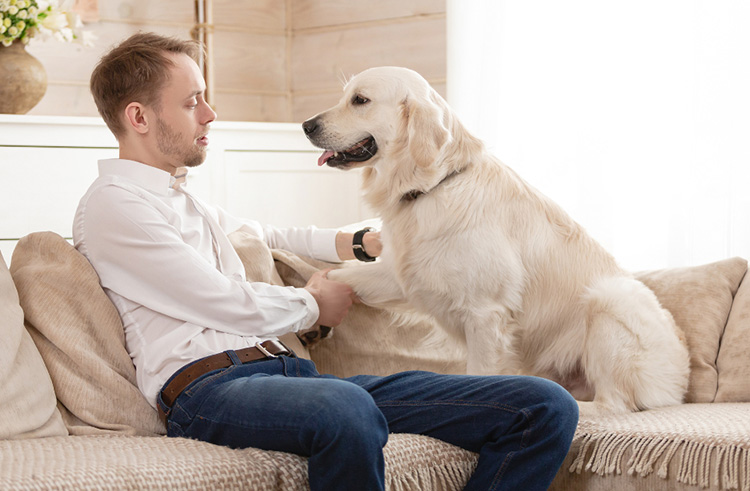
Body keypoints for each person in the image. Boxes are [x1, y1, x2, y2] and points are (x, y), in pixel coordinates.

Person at [74, 32, 579, 491]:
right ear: (138, 117)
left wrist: (356, 243)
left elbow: (262, 233)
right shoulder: (116, 205)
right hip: (207, 390)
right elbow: (216, 300)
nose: (209, 114)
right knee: (345, 407)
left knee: (542, 404)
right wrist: (313, 305)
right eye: (191, 102)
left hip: (287, 376)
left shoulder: (179, 198)